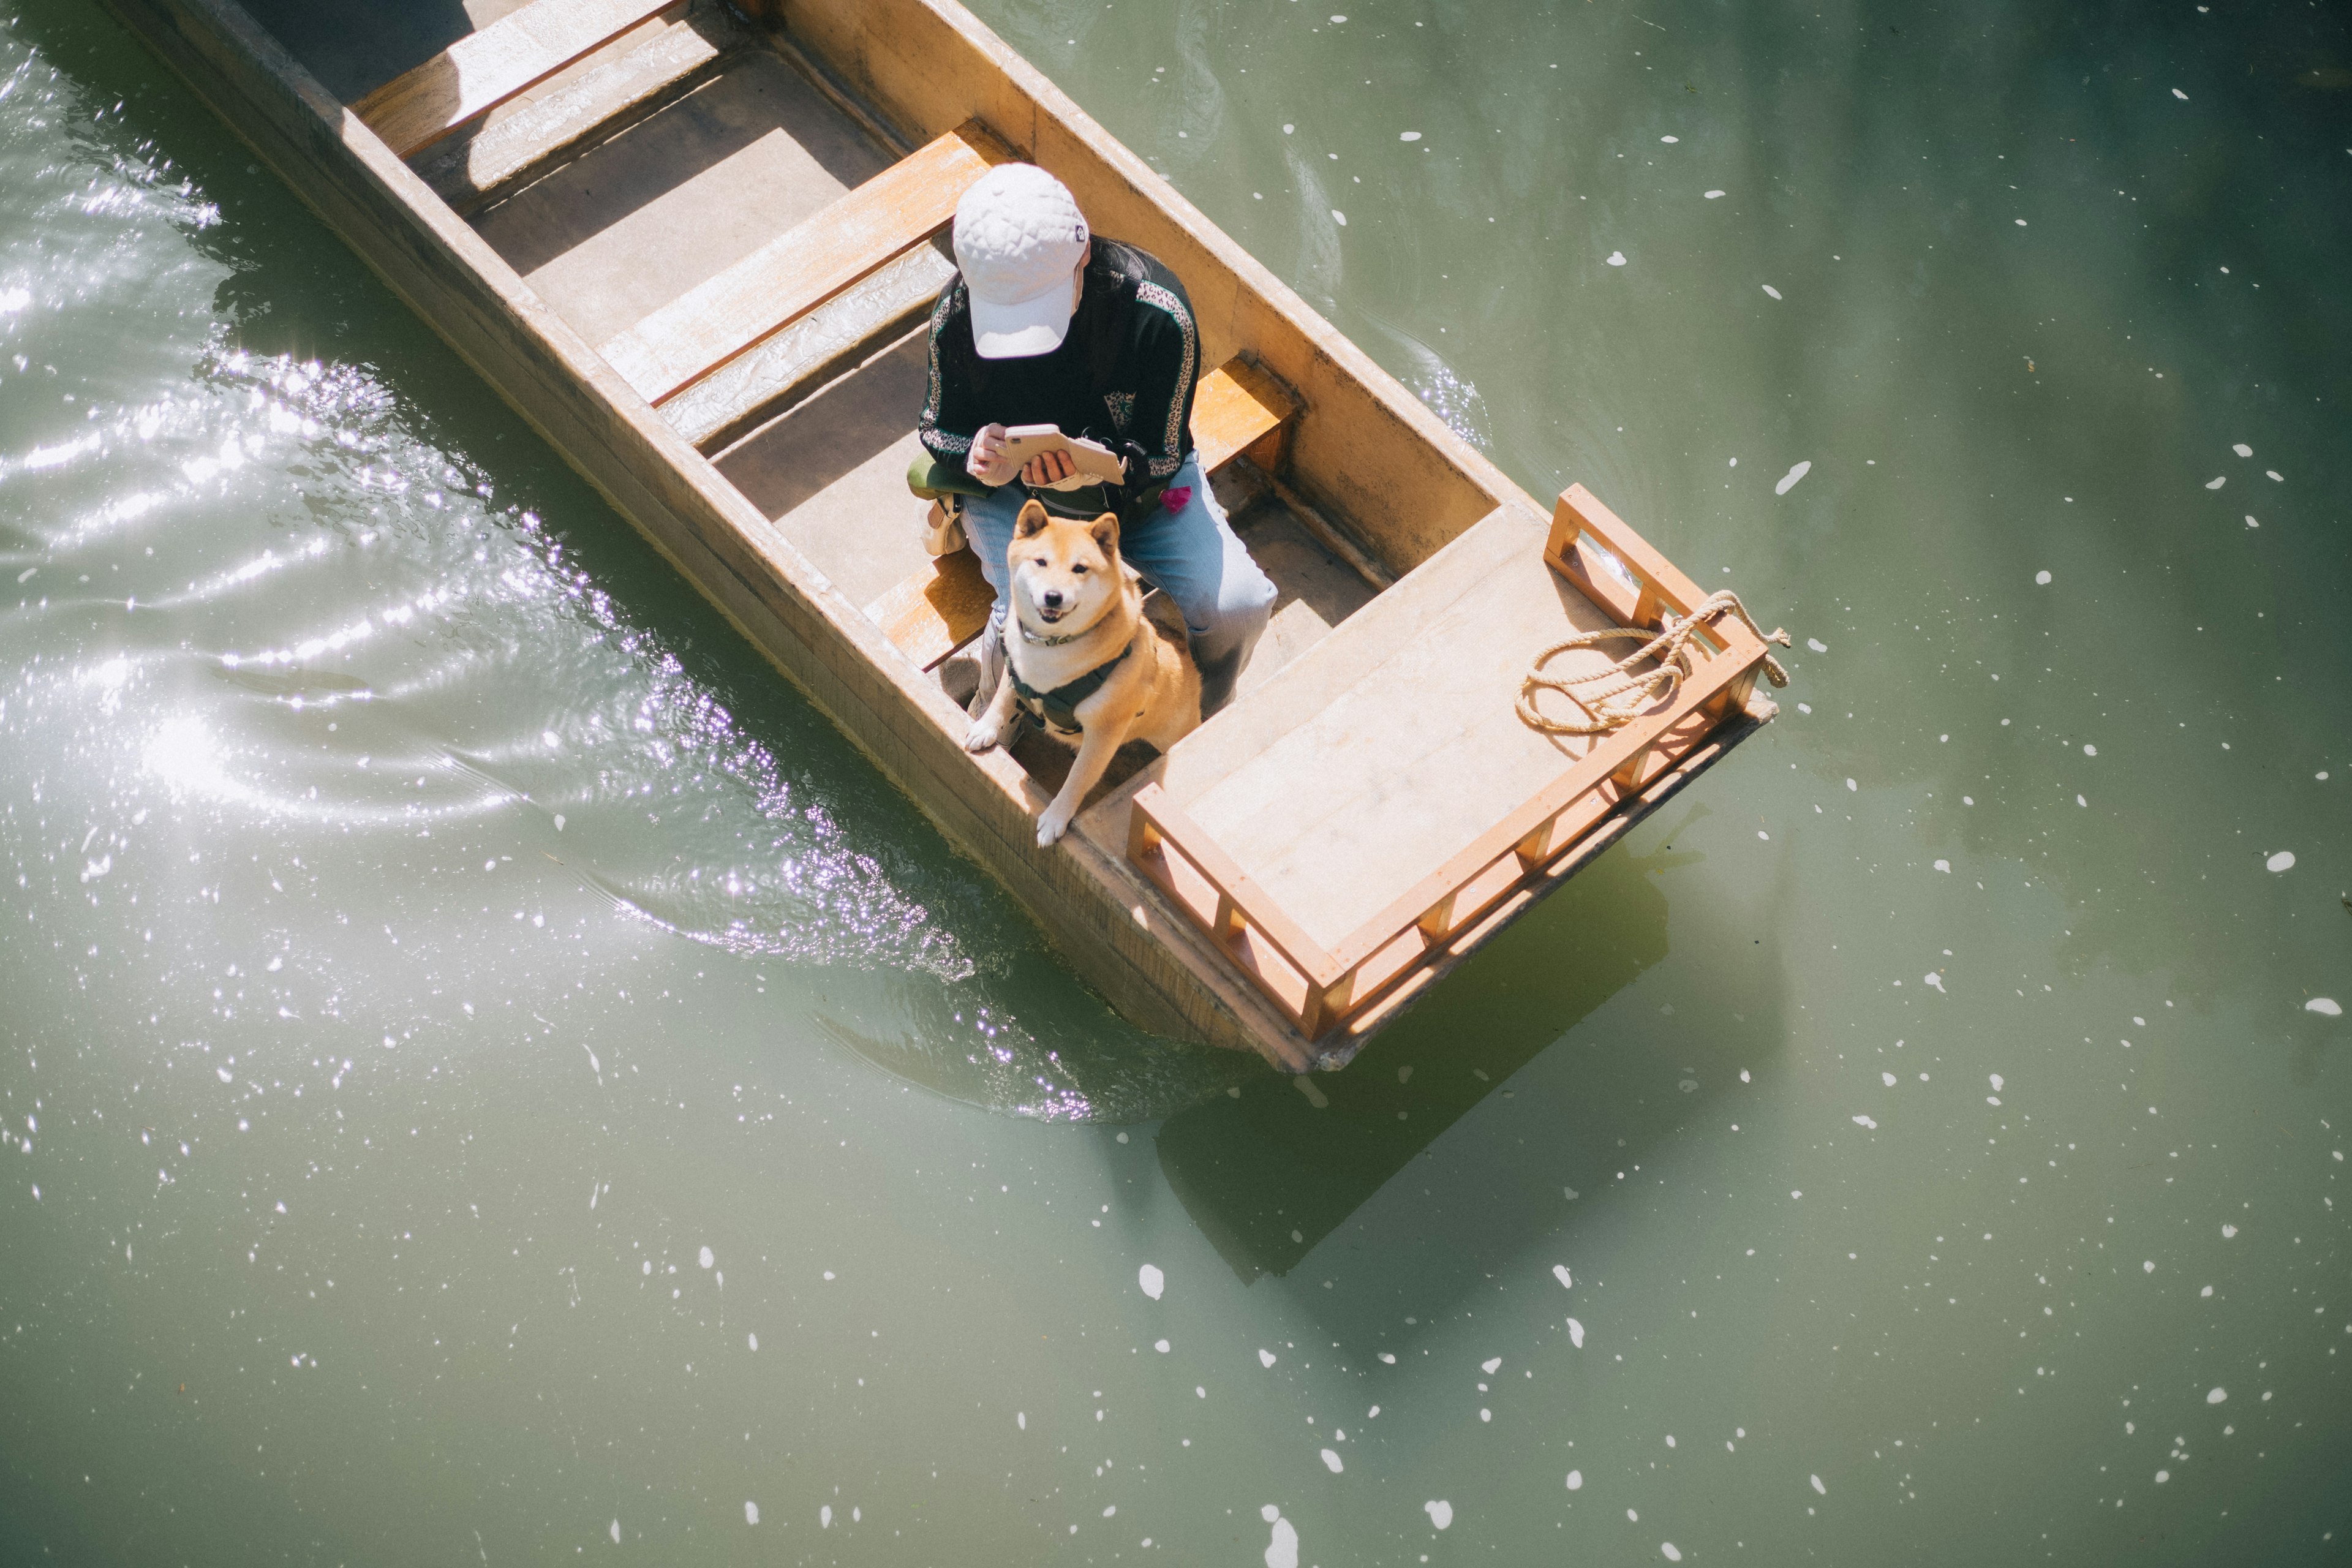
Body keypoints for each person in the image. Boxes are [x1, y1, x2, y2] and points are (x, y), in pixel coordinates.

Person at [916, 162, 1276, 717]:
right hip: (1015, 493)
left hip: (1134, 495)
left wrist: (1094, 470)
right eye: (1004, 317)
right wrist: (973, 453)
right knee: (1022, 614)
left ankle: (1206, 705)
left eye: (1036, 311)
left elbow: (1166, 452)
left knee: (1239, 607)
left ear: (1082, 253)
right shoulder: (955, 314)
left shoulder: (1157, 315)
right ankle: (996, 711)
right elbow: (937, 426)